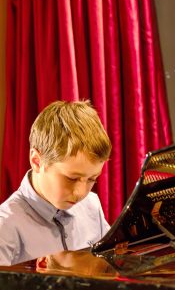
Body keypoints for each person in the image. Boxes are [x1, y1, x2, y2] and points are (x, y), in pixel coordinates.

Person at [0, 100, 112, 265]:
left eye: (91, 179)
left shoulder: (92, 205)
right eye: (71, 178)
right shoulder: (4, 228)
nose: (81, 192)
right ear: (37, 161)